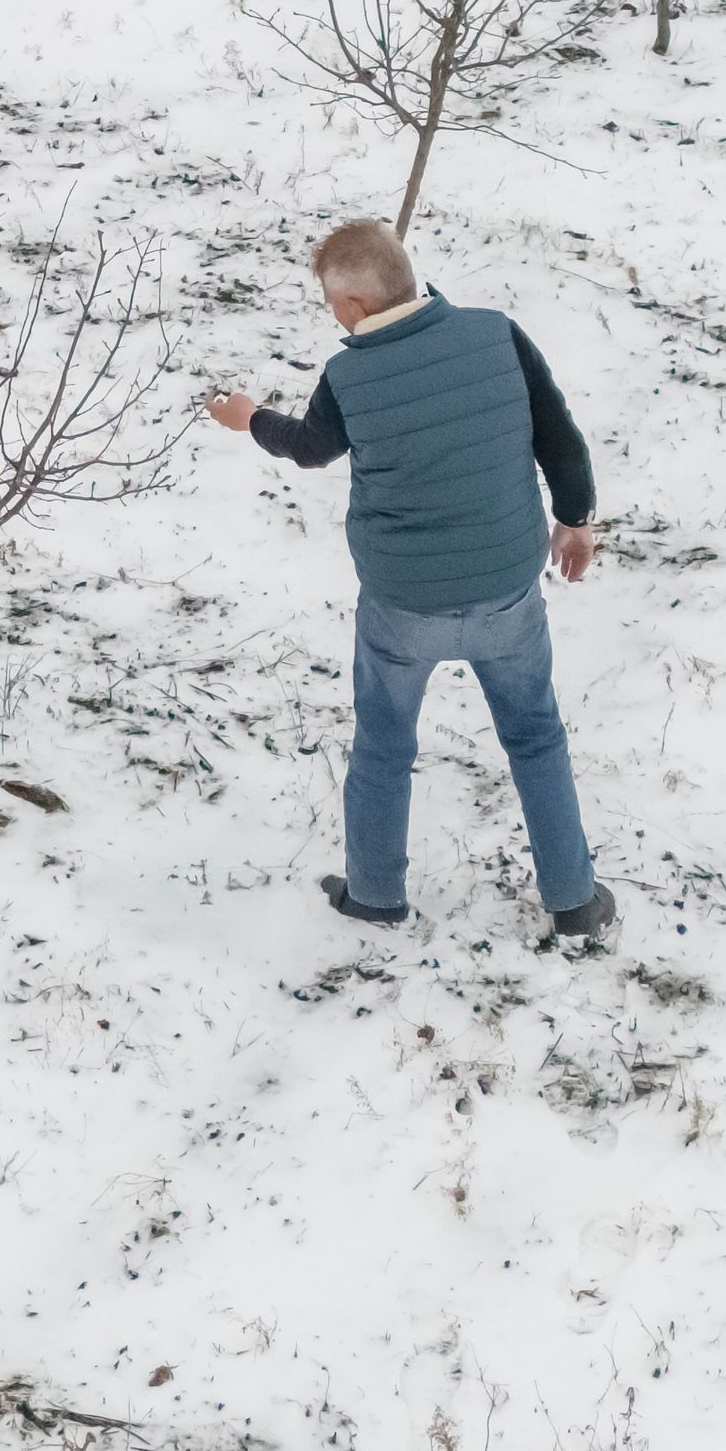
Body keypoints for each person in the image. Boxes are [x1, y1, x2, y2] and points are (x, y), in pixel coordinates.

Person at [201, 218, 612, 943]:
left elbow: (309, 448)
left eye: (333, 307)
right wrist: (574, 518)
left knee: (384, 745)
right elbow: (559, 435)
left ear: (354, 307)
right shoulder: (497, 335)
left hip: (403, 605)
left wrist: (250, 419)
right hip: (507, 589)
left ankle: (375, 896)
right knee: (536, 736)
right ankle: (574, 900)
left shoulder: (349, 376)